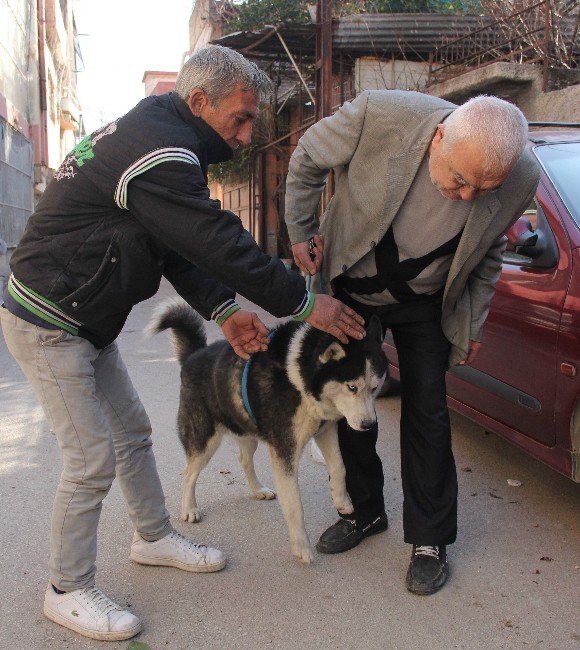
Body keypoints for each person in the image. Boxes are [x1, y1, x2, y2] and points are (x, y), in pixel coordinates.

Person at [0, 45, 365, 642]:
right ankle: (66, 589)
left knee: (134, 434)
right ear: (199, 102)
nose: (247, 136)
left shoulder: (163, 137)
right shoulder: (162, 150)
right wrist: (303, 301)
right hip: (49, 320)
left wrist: (224, 312)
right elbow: (217, 240)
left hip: (83, 319)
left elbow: (173, 243)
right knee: (91, 457)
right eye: (240, 119)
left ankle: (153, 538)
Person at [284, 90, 539, 595]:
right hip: (352, 285)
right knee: (351, 398)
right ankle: (364, 511)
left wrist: (471, 326)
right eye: (461, 179)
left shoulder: (521, 177)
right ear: (440, 136)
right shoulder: (382, 115)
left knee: (428, 410)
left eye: (483, 189)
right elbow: (308, 156)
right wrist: (299, 230)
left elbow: (488, 256)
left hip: (426, 301)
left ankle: (430, 539)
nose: (469, 197)